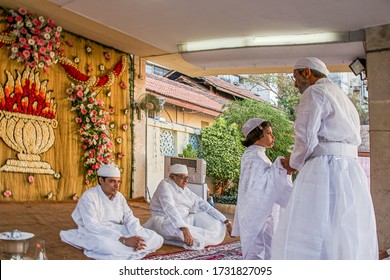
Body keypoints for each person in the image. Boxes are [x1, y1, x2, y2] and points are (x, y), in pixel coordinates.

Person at [271, 57, 378, 260]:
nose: (295, 84)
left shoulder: (315, 92)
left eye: (296, 77)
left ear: (307, 73)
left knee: (312, 225)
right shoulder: (343, 97)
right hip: (351, 170)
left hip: (324, 167)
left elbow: (306, 137)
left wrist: (293, 163)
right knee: (343, 227)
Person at [60, 164, 163, 260]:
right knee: (107, 246)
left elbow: (130, 218)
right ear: (101, 180)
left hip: (120, 230)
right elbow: (92, 226)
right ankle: (132, 248)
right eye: (112, 181)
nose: (117, 186)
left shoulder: (119, 197)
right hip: (97, 233)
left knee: (156, 238)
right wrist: (123, 239)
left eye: (118, 182)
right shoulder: (89, 197)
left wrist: (138, 236)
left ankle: (134, 246)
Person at [231, 118, 293, 260]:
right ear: (257, 135)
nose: (273, 137)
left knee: (268, 244)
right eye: (269, 133)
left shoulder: (258, 154)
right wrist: (280, 165)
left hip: (261, 210)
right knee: (257, 247)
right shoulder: (254, 155)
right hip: (255, 212)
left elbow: (265, 179)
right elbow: (261, 182)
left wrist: (280, 169)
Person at [143, 164, 233, 250]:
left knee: (215, 220)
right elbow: (169, 208)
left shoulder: (186, 190)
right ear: (172, 176)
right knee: (176, 228)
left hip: (185, 221)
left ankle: (196, 237)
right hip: (165, 222)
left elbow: (205, 206)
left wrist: (226, 221)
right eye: (182, 177)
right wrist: (183, 227)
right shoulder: (164, 185)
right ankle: (195, 238)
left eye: (187, 177)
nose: (186, 180)